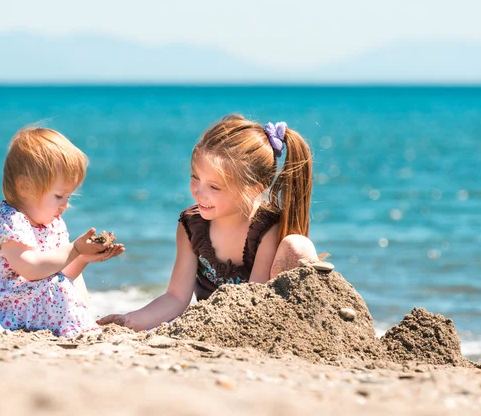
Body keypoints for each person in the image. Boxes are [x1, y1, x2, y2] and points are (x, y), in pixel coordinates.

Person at [98, 114, 318, 331]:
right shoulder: (192, 225)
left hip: (258, 326)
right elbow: (176, 297)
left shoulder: (267, 229)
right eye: (195, 177)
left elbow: (254, 302)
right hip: (213, 326)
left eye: (214, 187)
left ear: (254, 189)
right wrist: (130, 321)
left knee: (297, 245)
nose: (198, 192)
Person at [0, 126, 124, 337]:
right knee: (59, 288)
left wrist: (82, 258)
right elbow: (32, 269)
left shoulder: (53, 223)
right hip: (1, 306)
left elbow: (58, 273)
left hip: (28, 298)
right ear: (25, 187)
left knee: (64, 285)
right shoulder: (9, 222)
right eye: (58, 196)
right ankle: (78, 326)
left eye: (68, 197)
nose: (65, 205)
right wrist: (74, 249)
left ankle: (84, 319)